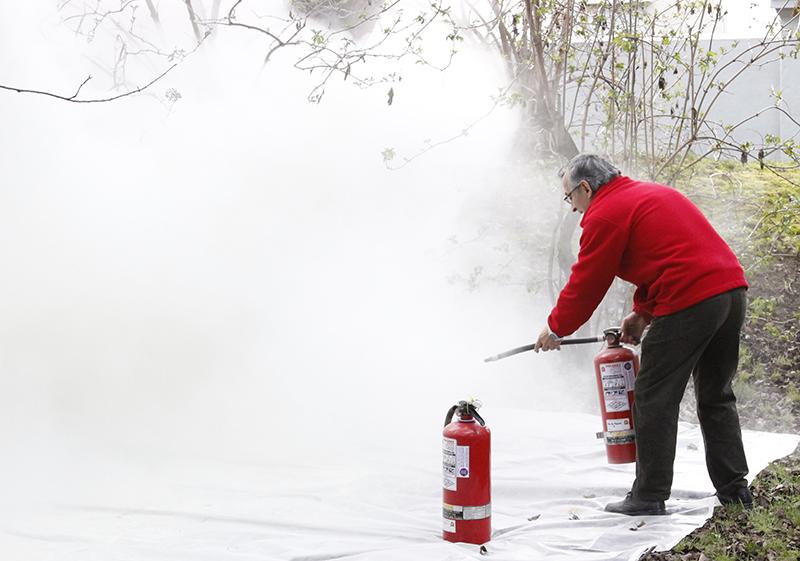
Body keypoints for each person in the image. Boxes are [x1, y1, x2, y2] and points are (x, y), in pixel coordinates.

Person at [534, 153, 752, 515]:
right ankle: (735, 491)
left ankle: (648, 496)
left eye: (570, 197)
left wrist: (556, 327)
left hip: (691, 300)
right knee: (716, 395)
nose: (572, 208)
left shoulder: (604, 213)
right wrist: (643, 312)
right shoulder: (652, 194)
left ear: (586, 188)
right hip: (730, 292)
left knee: (653, 398)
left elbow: (588, 282)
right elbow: (673, 256)